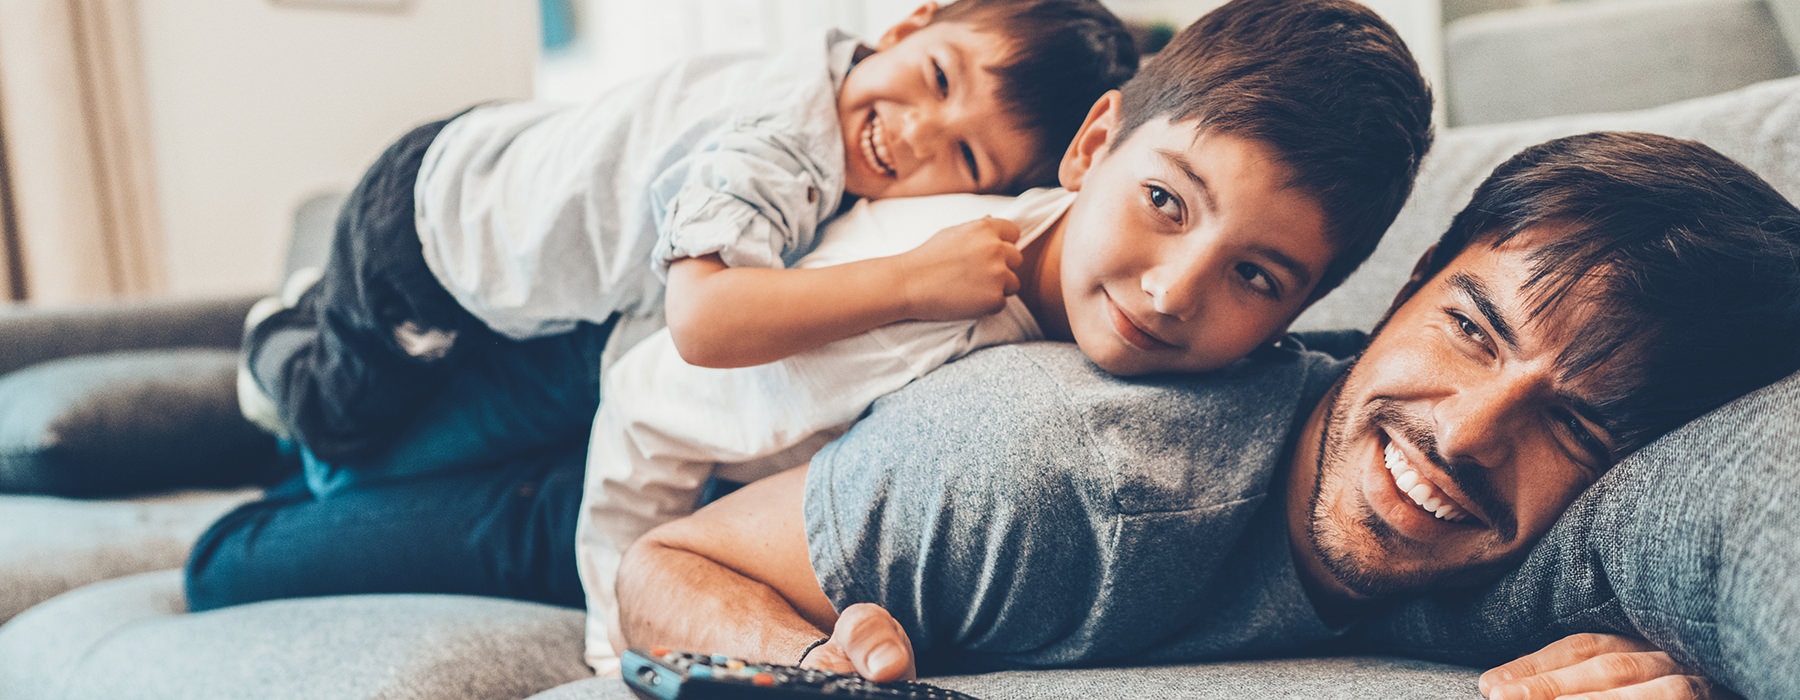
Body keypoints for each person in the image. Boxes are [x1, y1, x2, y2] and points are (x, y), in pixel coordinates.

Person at [611, 130, 1800, 700]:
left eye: (1579, 423)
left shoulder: (1567, 563)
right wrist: (808, 665)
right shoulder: (1042, 472)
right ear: (1413, 279)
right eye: (1472, 329)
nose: (1469, 432)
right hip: (655, 402)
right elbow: (668, 554)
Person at [577, 0, 1437, 672]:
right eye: (1165, 202)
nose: (1173, 292)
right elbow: (668, 392)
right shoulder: (920, 260)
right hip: (627, 419)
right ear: (1093, 146)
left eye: (1256, 277)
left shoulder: (1225, 392)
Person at [238, 0, 1139, 498]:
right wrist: (909, 280)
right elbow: (705, 323)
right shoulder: (780, 145)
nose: (914, 134)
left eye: (966, 157)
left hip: (480, 159)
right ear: (911, 23)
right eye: (939, 79)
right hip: (431, 244)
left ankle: (322, 307)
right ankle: (274, 335)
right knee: (339, 415)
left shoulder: (819, 77)